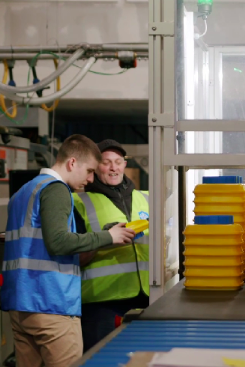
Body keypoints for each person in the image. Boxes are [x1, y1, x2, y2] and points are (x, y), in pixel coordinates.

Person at [0, 134, 135, 367]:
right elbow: (58, 242)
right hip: (50, 303)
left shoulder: (24, 191)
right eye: (90, 171)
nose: (91, 179)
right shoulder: (56, 189)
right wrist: (108, 236)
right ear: (72, 163)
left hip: (20, 304)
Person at [73, 139, 150, 352]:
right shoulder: (79, 203)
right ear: (95, 166)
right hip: (101, 304)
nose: (114, 168)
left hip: (148, 298)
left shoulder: (148, 198)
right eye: (106, 162)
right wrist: (105, 237)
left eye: (118, 161)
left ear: (125, 165)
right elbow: (73, 257)